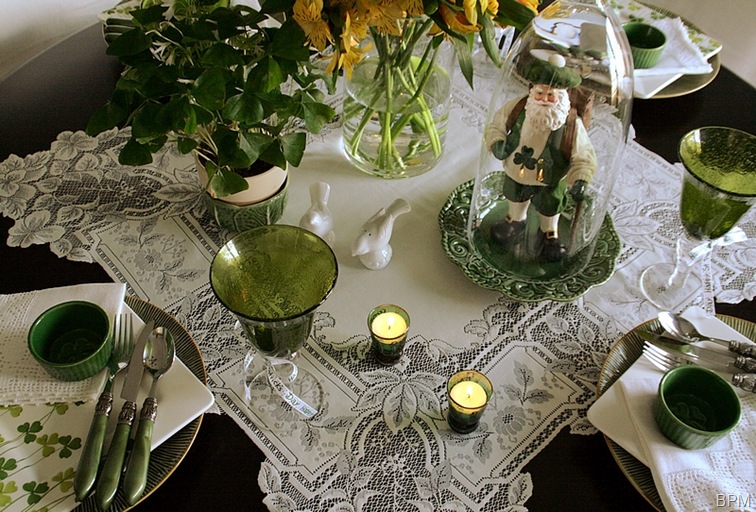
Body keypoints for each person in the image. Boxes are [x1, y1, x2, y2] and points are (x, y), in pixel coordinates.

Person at [484, 54, 597, 262]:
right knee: (515, 194)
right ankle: (515, 221)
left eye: (551, 95)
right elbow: (498, 122)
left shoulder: (571, 124)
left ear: (562, 96)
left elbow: (584, 153)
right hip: (517, 168)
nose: (544, 99)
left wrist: (581, 178)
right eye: (539, 93)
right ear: (532, 90)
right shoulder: (519, 107)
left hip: (551, 176)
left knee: (550, 204)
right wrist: (496, 141)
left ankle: (549, 234)